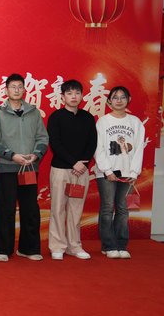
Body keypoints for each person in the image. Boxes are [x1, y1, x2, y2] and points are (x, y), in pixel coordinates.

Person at [0, 73, 49, 262]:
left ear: (24, 89)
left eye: (19, 86)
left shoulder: (34, 113)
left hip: (29, 168)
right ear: (6, 90)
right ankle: (4, 250)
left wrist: (35, 155)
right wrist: (12, 155)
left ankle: (28, 249)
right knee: (6, 209)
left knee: (30, 209)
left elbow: (42, 138)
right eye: (12, 87)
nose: (16, 90)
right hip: (7, 168)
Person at [46, 79, 97, 260]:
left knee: (76, 209)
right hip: (61, 169)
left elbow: (92, 143)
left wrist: (83, 164)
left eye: (77, 93)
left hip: (81, 171)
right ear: (63, 97)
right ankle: (57, 246)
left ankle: (74, 246)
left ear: (82, 96)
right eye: (69, 93)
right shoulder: (56, 117)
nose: (73, 96)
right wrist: (73, 162)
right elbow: (55, 143)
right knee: (58, 208)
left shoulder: (88, 118)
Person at [94, 85, 145, 259]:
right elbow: (98, 148)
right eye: (115, 97)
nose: (119, 100)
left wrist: (134, 172)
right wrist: (107, 170)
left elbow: (139, 149)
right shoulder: (103, 122)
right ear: (109, 101)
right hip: (106, 172)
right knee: (107, 207)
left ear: (129, 100)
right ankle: (108, 246)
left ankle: (121, 245)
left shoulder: (135, 122)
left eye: (123, 97)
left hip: (127, 172)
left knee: (123, 208)